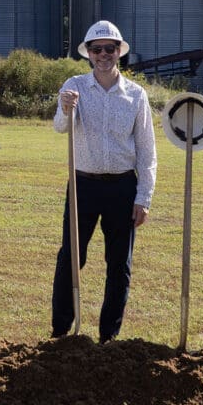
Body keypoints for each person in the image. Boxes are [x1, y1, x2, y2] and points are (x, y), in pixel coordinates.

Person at [52, 20, 157, 343]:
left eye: (109, 49)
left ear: (119, 52)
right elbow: (60, 127)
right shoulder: (74, 86)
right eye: (96, 49)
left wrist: (144, 197)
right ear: (88, 53)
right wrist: (65, 108)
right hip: (82, 184)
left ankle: (108, 337)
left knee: (119, 264)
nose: (103, 55)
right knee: (71, 257)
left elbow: (147, 150)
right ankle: (60, 332)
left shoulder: (136, 95)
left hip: (122, 187)